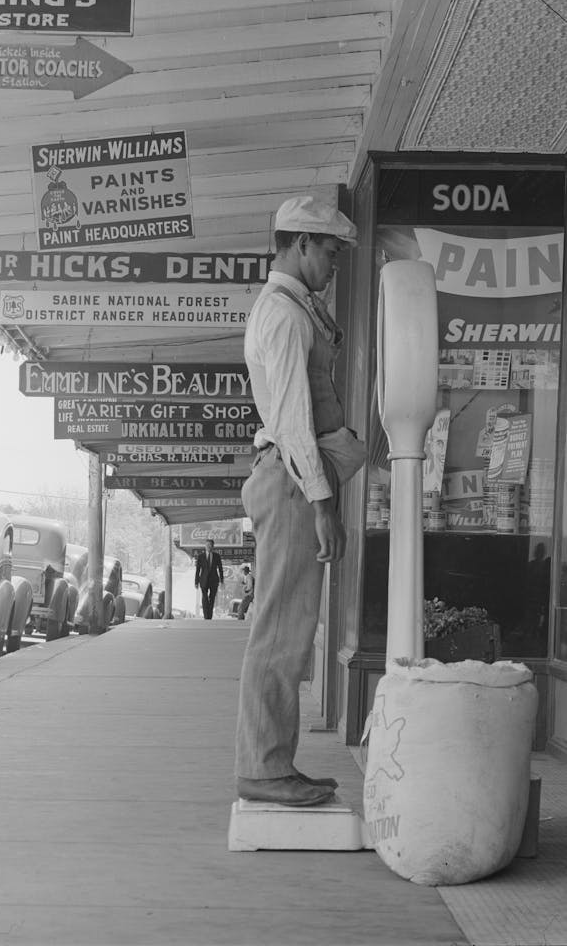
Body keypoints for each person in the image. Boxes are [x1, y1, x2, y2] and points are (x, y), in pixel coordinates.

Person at [234, 195, 366, 807]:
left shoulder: (293, 309)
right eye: (331, 252)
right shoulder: (285, 315)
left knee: (291, 626)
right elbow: (291, 420)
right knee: (283, 629)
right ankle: (263, 770)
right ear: (300, 244)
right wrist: (323, 503)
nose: (335, 264)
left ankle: (274, 763)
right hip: (291, 482)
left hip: (292, 480)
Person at [195, 539, 223, 619]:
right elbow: (198, 570)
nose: (208, 546)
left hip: (214, 580)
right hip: (203, 580)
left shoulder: (217, 556)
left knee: (212, 598)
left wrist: (222, 580)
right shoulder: (201, 556)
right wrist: (196, 582)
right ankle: (206, 615)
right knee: (205, 598)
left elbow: (220, 569)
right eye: (207, 544)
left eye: (210, 545)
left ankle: (209, 616)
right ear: (205, 546)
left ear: (213, 546)